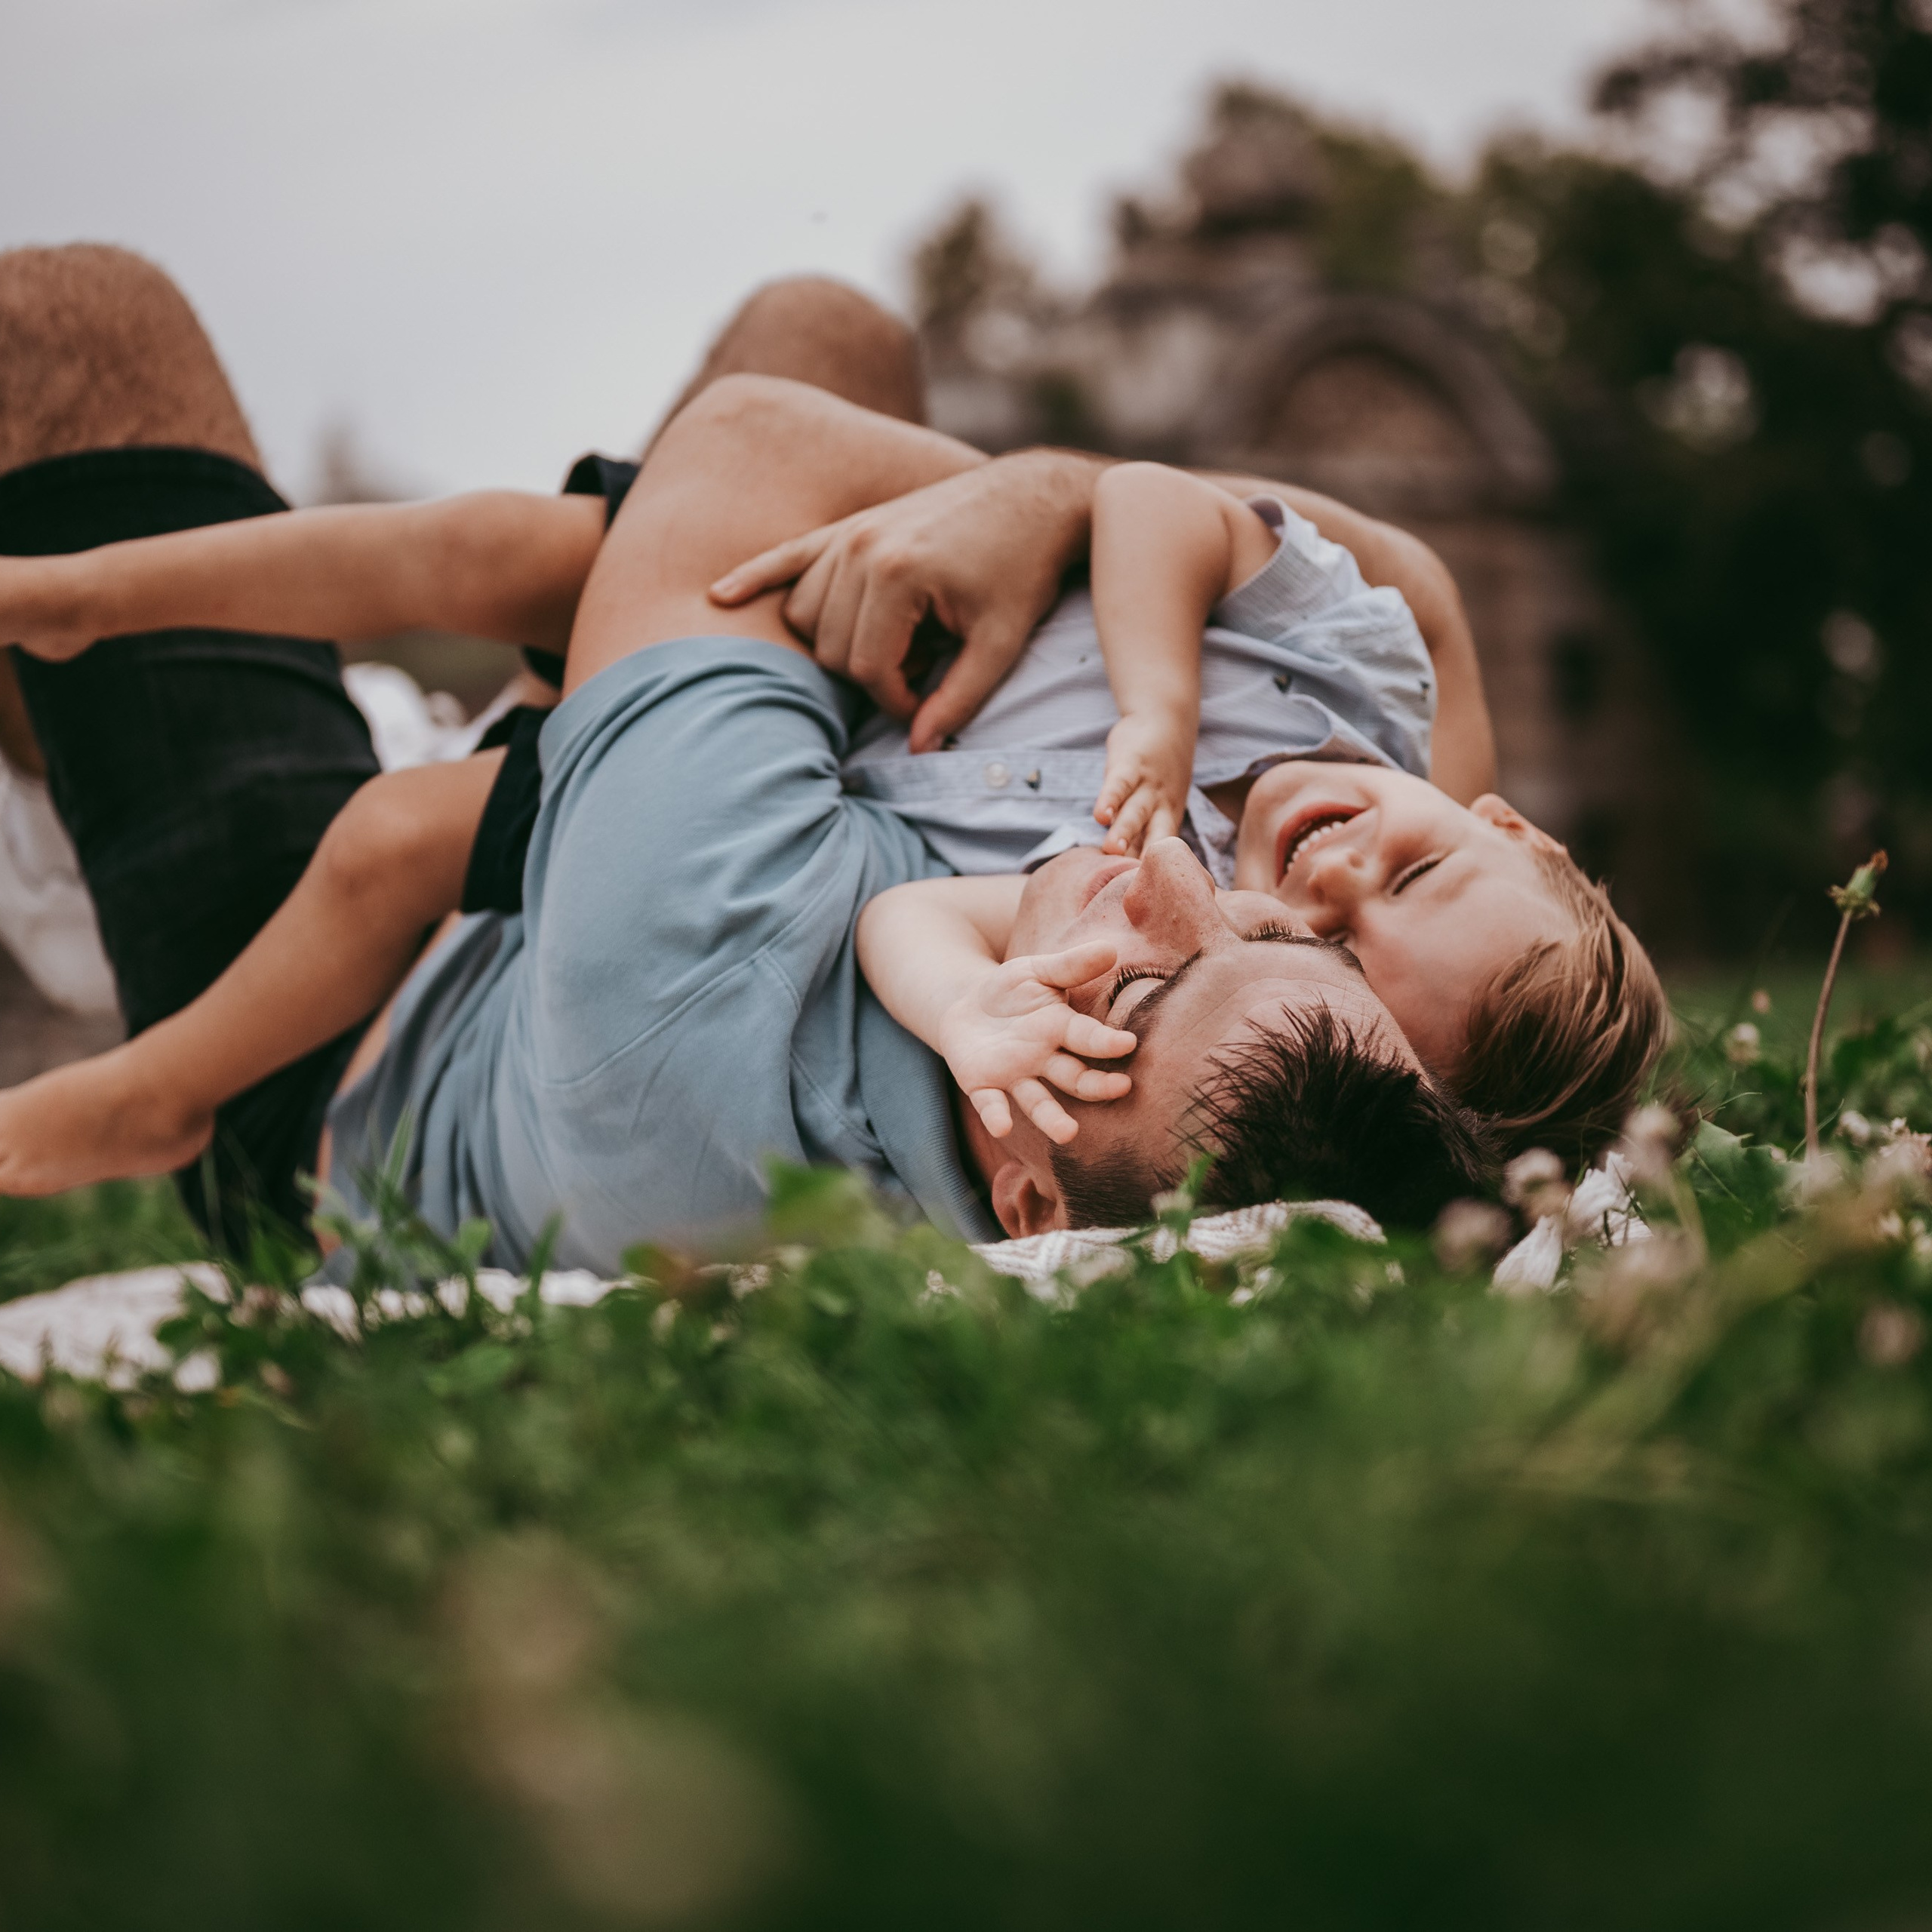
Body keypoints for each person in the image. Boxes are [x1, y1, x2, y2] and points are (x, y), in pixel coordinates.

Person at [0, 246, 1493, 1263]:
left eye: (1131, 999)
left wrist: (1034, 496)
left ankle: (71, 757)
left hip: (363, 1031)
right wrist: (1063, 507)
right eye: (1265, 935)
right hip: (608, 830)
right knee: (829, 325)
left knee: (73, 317)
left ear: (1029, 1193)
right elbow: (1407, 597)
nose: (1191, 882)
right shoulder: (1257, 966)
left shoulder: (702, 996)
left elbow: (748, 450)